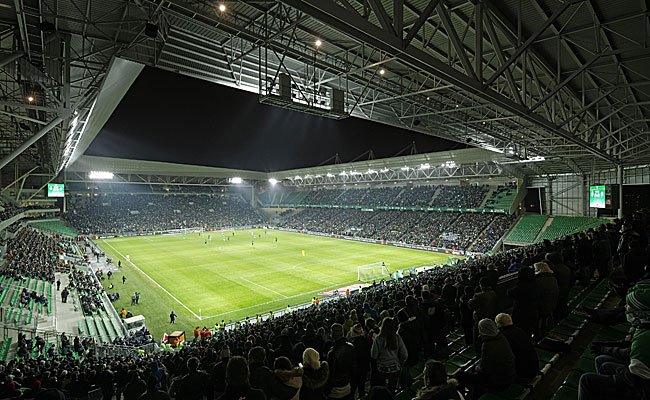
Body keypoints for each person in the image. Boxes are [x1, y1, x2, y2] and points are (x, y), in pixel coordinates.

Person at [577, 282, 650, 400]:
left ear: (641, 311)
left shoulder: (645, 337)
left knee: (586, 380)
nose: (625, 307)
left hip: (642, 390)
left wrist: (607, 350)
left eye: (629, 305)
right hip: (639, 379)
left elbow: (634, 379)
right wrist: (608, 347)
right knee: (602, 361)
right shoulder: (644, 328)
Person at [456, 319, 516, 400]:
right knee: (475, 375)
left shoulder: (487, 345)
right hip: (510, 375)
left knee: (461, 375)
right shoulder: (501, 337)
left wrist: (477, 367)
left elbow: (484, 369)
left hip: (500, 382)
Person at [495, 313, 539, 383]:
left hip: (523, 373)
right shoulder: (519, 330)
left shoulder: (504, 337)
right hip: (534, 368)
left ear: (498, 325)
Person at [370, 317, 408, 392]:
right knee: (392, 389)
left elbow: (373, 355)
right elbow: (405, 354)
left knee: (383, 390)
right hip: (395, 368)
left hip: (382, 369)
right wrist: (400, 362)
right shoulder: (397, 337)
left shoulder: (378, 338)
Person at [327, 323, 355, 400]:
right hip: (347, 385)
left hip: (336, 390)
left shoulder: (332, 353)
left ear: (332, 334)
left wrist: (327, 391)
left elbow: (332, 375)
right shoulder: (351, 346)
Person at [534, 262, 559, 336]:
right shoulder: (553, 278)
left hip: (542, 307)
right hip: (552, 304)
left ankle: (539, 335)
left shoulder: (538, 281)